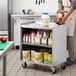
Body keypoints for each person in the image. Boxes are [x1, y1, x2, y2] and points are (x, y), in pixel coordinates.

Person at [57, 0, 76, 65]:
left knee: (70, 38)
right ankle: (69, 56)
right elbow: (60, 2)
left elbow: (73, 6)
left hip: (72, 14)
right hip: (64, 14)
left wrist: (65, 17)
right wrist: (60, 11)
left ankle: (72, 58)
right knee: (64, 37)